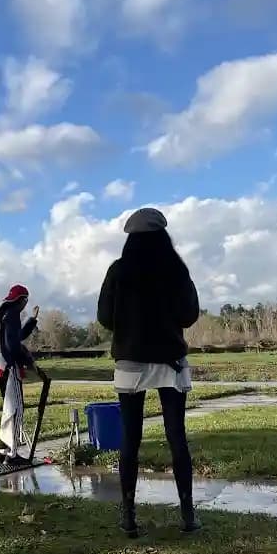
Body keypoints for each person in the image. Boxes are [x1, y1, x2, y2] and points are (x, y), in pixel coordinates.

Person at [97, 208, 200, 536]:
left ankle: (128, 516)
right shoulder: (175, 269)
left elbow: (104, 318)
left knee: (130, 437)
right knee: (176, 436)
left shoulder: (118, 271)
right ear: (162, 235)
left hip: (130, 361)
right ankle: (187, 514)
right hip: (169, 360)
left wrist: (128, 326)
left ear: (130, 238)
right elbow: (189, 316)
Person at [0, 284, 39, 464]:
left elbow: (16, 338)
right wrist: (27, 361)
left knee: (7, 410)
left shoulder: (3, 316)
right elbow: (14, 346)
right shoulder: (13, 316)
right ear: (22, 300)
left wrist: (32, 320)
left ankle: (2, 451)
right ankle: (13, 454)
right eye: (26, 300)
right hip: (10, 368)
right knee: (17, 410)